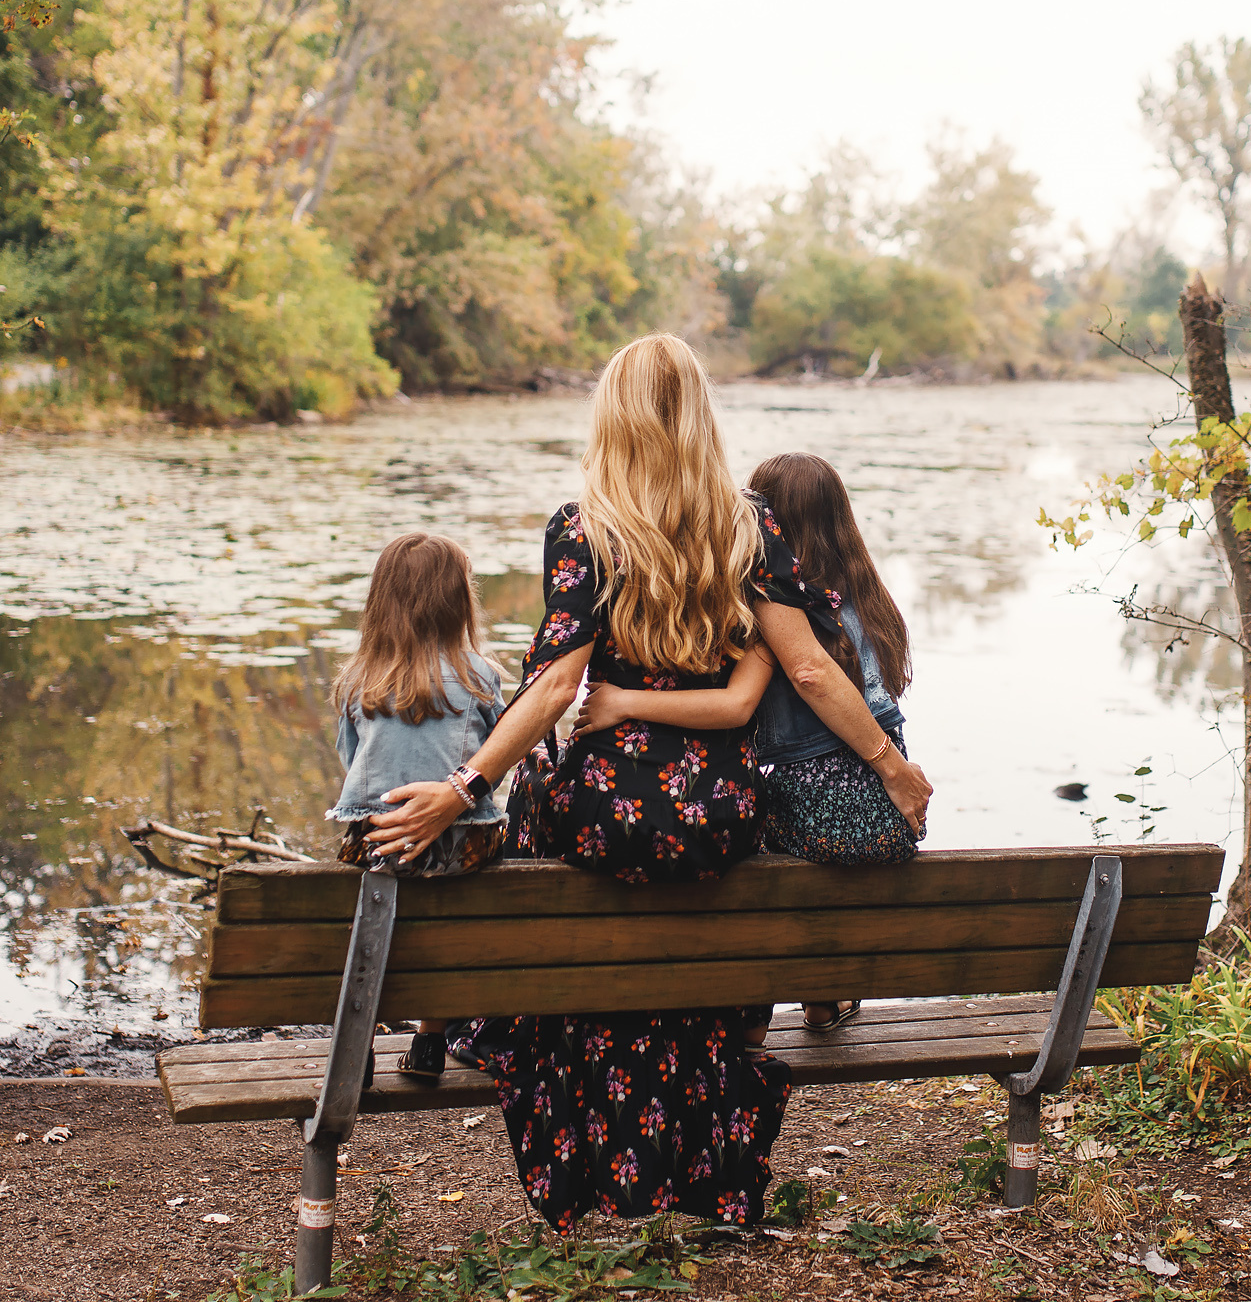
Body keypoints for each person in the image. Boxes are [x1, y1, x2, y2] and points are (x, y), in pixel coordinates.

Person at [361, 333, 933, 1229]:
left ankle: (579, 1120)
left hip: (606, 813)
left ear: (614, 417)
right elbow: (814, 672)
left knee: (550, 828)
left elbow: (554, 685)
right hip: (716, 815)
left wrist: (464, 786)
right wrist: (894, 770)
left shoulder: (584, 525)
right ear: (701, 416)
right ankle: (689, 1157)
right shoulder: (750, 526)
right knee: (690, 968)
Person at [578, 450, 923, 1032]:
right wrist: (891, 768)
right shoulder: (870, 602)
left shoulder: (778, 613)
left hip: (820, 813)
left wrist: (626, 699)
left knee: (739, 825)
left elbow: (750, 701)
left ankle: (753, 1016)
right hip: (890, 818)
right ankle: (824, 994)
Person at [324, 531, 508, 1082]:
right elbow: (496, 758)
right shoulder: (481, 675)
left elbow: (349, 763)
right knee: (451, 920)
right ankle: (430, 1042)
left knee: (377, 905)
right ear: (459, 603)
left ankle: (358, 1049)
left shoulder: (359, 679)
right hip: (462, 849)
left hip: (379, 844)